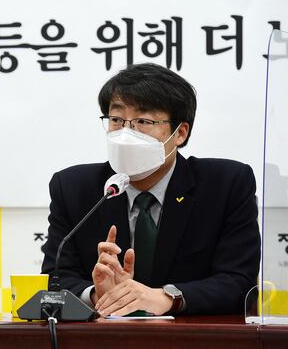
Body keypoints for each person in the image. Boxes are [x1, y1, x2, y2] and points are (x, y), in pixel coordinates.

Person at [41, 63, 260, 316]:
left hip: (192, 333)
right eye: (116, 120)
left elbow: (238, 282)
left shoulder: (226, 185)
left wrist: (167, 298)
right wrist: (96, 295)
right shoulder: (73, 188)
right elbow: (56, 278)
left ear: (180, 133)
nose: (126, 133)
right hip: (107, 333)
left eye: (143, 121)